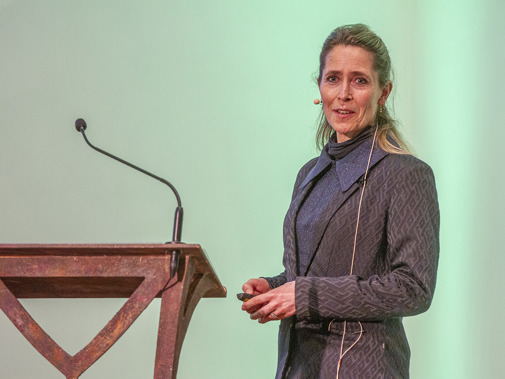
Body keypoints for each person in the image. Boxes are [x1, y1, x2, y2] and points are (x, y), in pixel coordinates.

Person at [241, 24, 439, 379]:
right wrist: (275, 287)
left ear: (383, 92)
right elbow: (317, 271)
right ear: (320, 88)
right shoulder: (308, 174)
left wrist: (304, 296)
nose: (344, 93)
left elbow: (413, 288)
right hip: (299, 366)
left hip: (363, 367)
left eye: (359, 80)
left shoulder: (405, 174)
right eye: (333, 78)